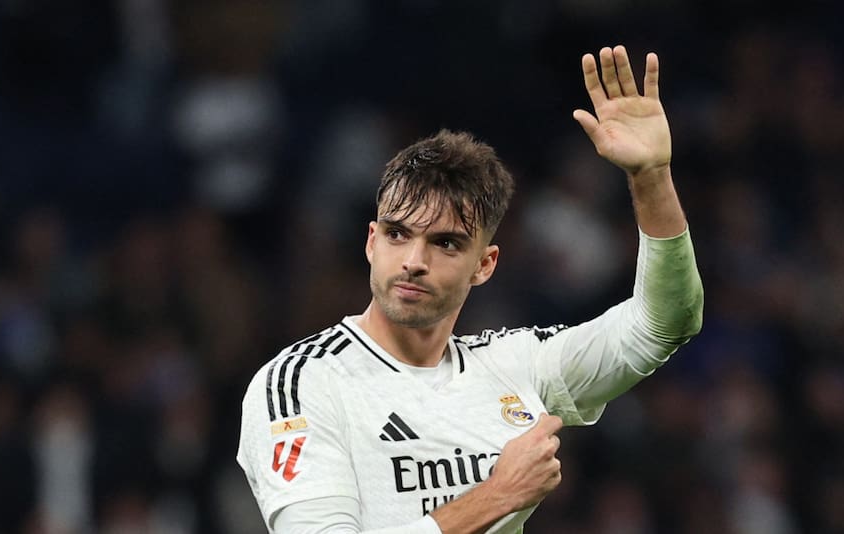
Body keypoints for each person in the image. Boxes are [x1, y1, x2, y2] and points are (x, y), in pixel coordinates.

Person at [237, 45, 703, 533]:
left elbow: (665, 321)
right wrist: (497, 495)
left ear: (485, 265)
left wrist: (651, 177)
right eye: (398, 234)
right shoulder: (303, 382)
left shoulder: (517, 366)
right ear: (372, 241)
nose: (414, 262)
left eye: (445, 243)